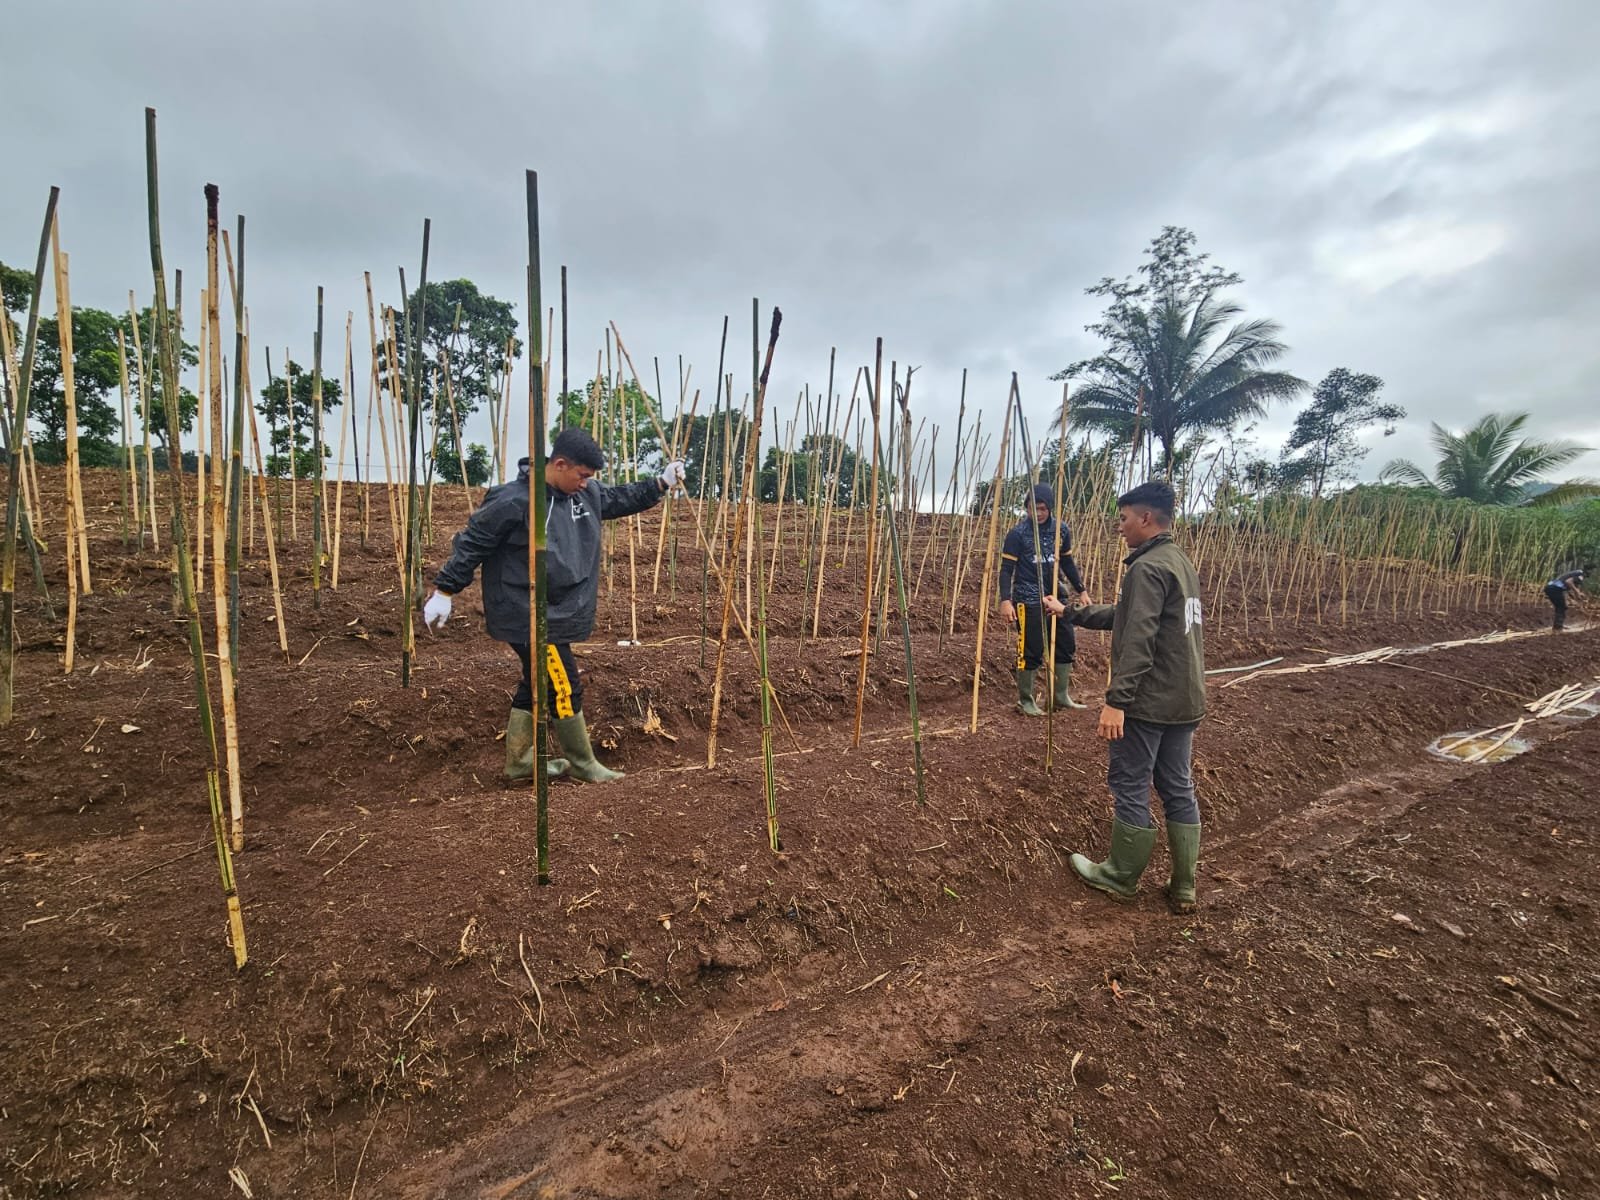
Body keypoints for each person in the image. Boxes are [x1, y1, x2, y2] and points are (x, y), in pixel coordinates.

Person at [422, 428, 686, 783]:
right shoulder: (514, 500)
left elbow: (618, 498)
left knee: (538, 680)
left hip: (557, 606)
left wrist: (661, 483)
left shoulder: (583, 494)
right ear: (559, 464)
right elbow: (473, 542)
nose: (586, 483)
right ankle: (583, 763)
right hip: (523, 609)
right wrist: (445, 590)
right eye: (582, 475)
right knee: (564, 684)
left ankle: (520, 764)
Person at [1045, 480, 1204, 914]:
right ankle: (1184, 885)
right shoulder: (1178, 562)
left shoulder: (1147, 568)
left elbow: (1139, 640)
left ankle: (1120, 876)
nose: (1120, 526)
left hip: (1149, 701)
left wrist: (1117, 701)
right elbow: (1128, 615)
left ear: (1146, 518)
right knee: (1178, 785)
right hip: (1183, 699)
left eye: (1124, 518)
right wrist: (1070, 611)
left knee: (1131, 781)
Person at [997, 483, 1090, 716]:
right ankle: (1026, 701)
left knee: (1065, 643)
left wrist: (1081, 590)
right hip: (1027, 597)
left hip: (1056, 597)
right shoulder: (1017, 534)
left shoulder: (1061, 530)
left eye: (1042, 508)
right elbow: (1006, 569)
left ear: (1050, 508)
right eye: (1032, 508)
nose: (1037, 513)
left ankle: (1060, 697)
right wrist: (1005, 600)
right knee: (1031, 648)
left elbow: (1067, 562)